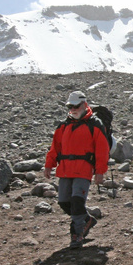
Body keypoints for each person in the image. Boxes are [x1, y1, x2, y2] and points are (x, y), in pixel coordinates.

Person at [44, 91, 109, 249]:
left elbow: (102, 150)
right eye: (70, 106)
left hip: (83, 169)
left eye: (76, 106)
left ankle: (77, 234)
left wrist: (100, 172)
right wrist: (48, 165)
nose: (73, 109)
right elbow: (55, 148)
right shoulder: (63, 126)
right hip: (65, 169)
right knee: (64, 202)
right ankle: (87, 220)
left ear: (84, 105)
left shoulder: (95, 124)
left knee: (77, 202)